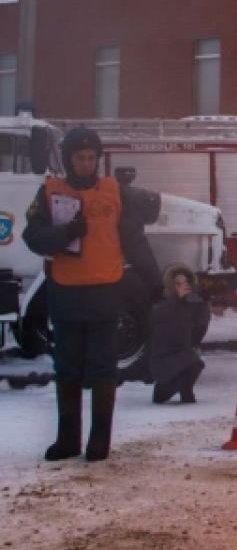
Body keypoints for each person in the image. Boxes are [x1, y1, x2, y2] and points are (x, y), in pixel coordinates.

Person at [22, 126, 158, 462]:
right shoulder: (49, 193)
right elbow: (32, 237)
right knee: (67, 369)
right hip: (66, 295)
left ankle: (99, 441)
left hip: (105, 294)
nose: (86, 163)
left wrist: (155, 282)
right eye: (79, 158)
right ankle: (67, 440)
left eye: (91, 158)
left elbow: (135, 241)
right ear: (68, 159)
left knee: (103, 369)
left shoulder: (115, 192)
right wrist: (65, 232)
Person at [148, 263, 211, 404]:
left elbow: (199, 327)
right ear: (170, 285)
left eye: (185, 283)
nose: (182, 286)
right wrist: (176, 298)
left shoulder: (189, 304)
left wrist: (202, 302)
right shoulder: (161, 302)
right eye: (178, 283)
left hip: (181, 353)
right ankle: (163, 389)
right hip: (163, 358)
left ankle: (185, 392)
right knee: (190, 362)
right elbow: (161, 315)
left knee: (195, 363)